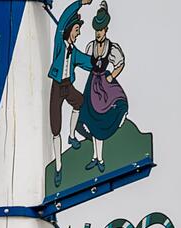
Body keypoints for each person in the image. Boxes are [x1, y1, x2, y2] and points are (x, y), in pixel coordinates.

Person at [48, 0, 94, 187]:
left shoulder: (73, 52)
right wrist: (79, 3)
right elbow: (63, 18)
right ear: (69, 30)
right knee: (55, 127)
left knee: (79, 102)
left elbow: (87, 62)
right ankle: (58, 167)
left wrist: (101, 64)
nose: (78, 33)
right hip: (57, 87)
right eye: (76, 30)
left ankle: (72, 135)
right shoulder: (60, 42)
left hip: (68, 85)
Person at [79, 1, 129, 173]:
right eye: (96, 30)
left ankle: (99, 158)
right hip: (92, 85)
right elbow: (85, 61)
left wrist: (112, 76)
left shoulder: (111, 48)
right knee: (92, 120)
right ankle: (96, 157)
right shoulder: (91, 46)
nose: (98, 33)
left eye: (100, 30)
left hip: (105, 85)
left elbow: (120, 63)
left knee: (112, 110)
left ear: (106, 30)